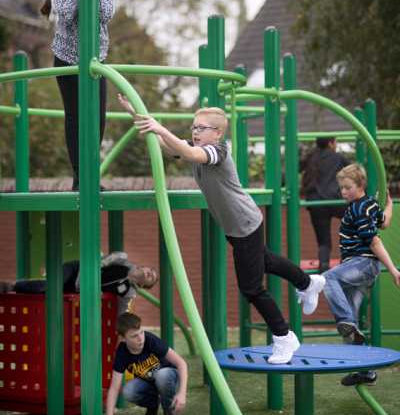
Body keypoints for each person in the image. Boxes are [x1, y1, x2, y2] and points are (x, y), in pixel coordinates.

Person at [118, 98, 326, 364]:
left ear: (217, 132)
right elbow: (164, 143)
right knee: (266, 261)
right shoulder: (194, 146)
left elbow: (191, 153)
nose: (195, 132)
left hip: (244, 223)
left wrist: (161, 128)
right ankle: (309, 282)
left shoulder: (218, 151)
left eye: (201, 128)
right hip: (236, 225)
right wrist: (135, 113)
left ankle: (284, 336)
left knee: (251, 288)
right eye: (193, 127)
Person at [40, 0, 115, 190]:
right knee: (75, 115)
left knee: (98, 116)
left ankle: (91, 173)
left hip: (97, 58)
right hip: (67, 57)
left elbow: (105, 15)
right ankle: (80, 177)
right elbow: (65, 14)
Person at [323, 163, 400, 386]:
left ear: (361, 185)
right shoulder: (369, 205)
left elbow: (375, 241)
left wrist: (393, 270)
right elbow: (384, 222)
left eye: (348, 187)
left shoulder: (358, 209)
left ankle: (346, 321)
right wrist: (390, 205)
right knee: (352, 328)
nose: (343, 192)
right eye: (341, 188)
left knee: (329, 278)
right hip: (360, 267)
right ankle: (364, 371)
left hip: (362, 264)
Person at [103, 313, 188, 415]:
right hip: (149, 382)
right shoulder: (122, 353)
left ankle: (169, 411)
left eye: (141, 332)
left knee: (162, 375)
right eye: (134, 336)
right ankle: (152, 405)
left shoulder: (150, 340)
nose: (140, 338)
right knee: (128, 391)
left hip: (170, 378)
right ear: (123, 338)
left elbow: (181, 363)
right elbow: (114, 388)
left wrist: (182, 393)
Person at [301, 137, 349, 273]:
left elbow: (294, 167)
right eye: (335, 142)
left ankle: (323, 266)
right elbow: (354, 172)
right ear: (330, 143)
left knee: (324, 242)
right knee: (354, 222)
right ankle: (347, 259)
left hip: (316, 202)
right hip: (335, 201)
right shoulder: (337, 157)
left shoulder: (311, 157)